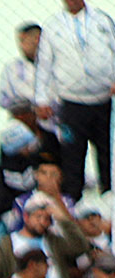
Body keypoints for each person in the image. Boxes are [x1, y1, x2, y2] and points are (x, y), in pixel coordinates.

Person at [34, 0, 115, 197]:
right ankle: (73, 201)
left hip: (103, 101)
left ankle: (109, 199)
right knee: (73, 155)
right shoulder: (53, 26)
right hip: (72, 104)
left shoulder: (102, 20)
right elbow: (44, 64)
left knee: (107, 154)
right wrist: (41, 99)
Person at [0, 24, 43, 115]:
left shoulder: (54, 65)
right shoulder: (12, 68)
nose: (21, 44)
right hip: (23, 117)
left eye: (24, 40)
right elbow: (2, 99)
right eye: (20, 40)